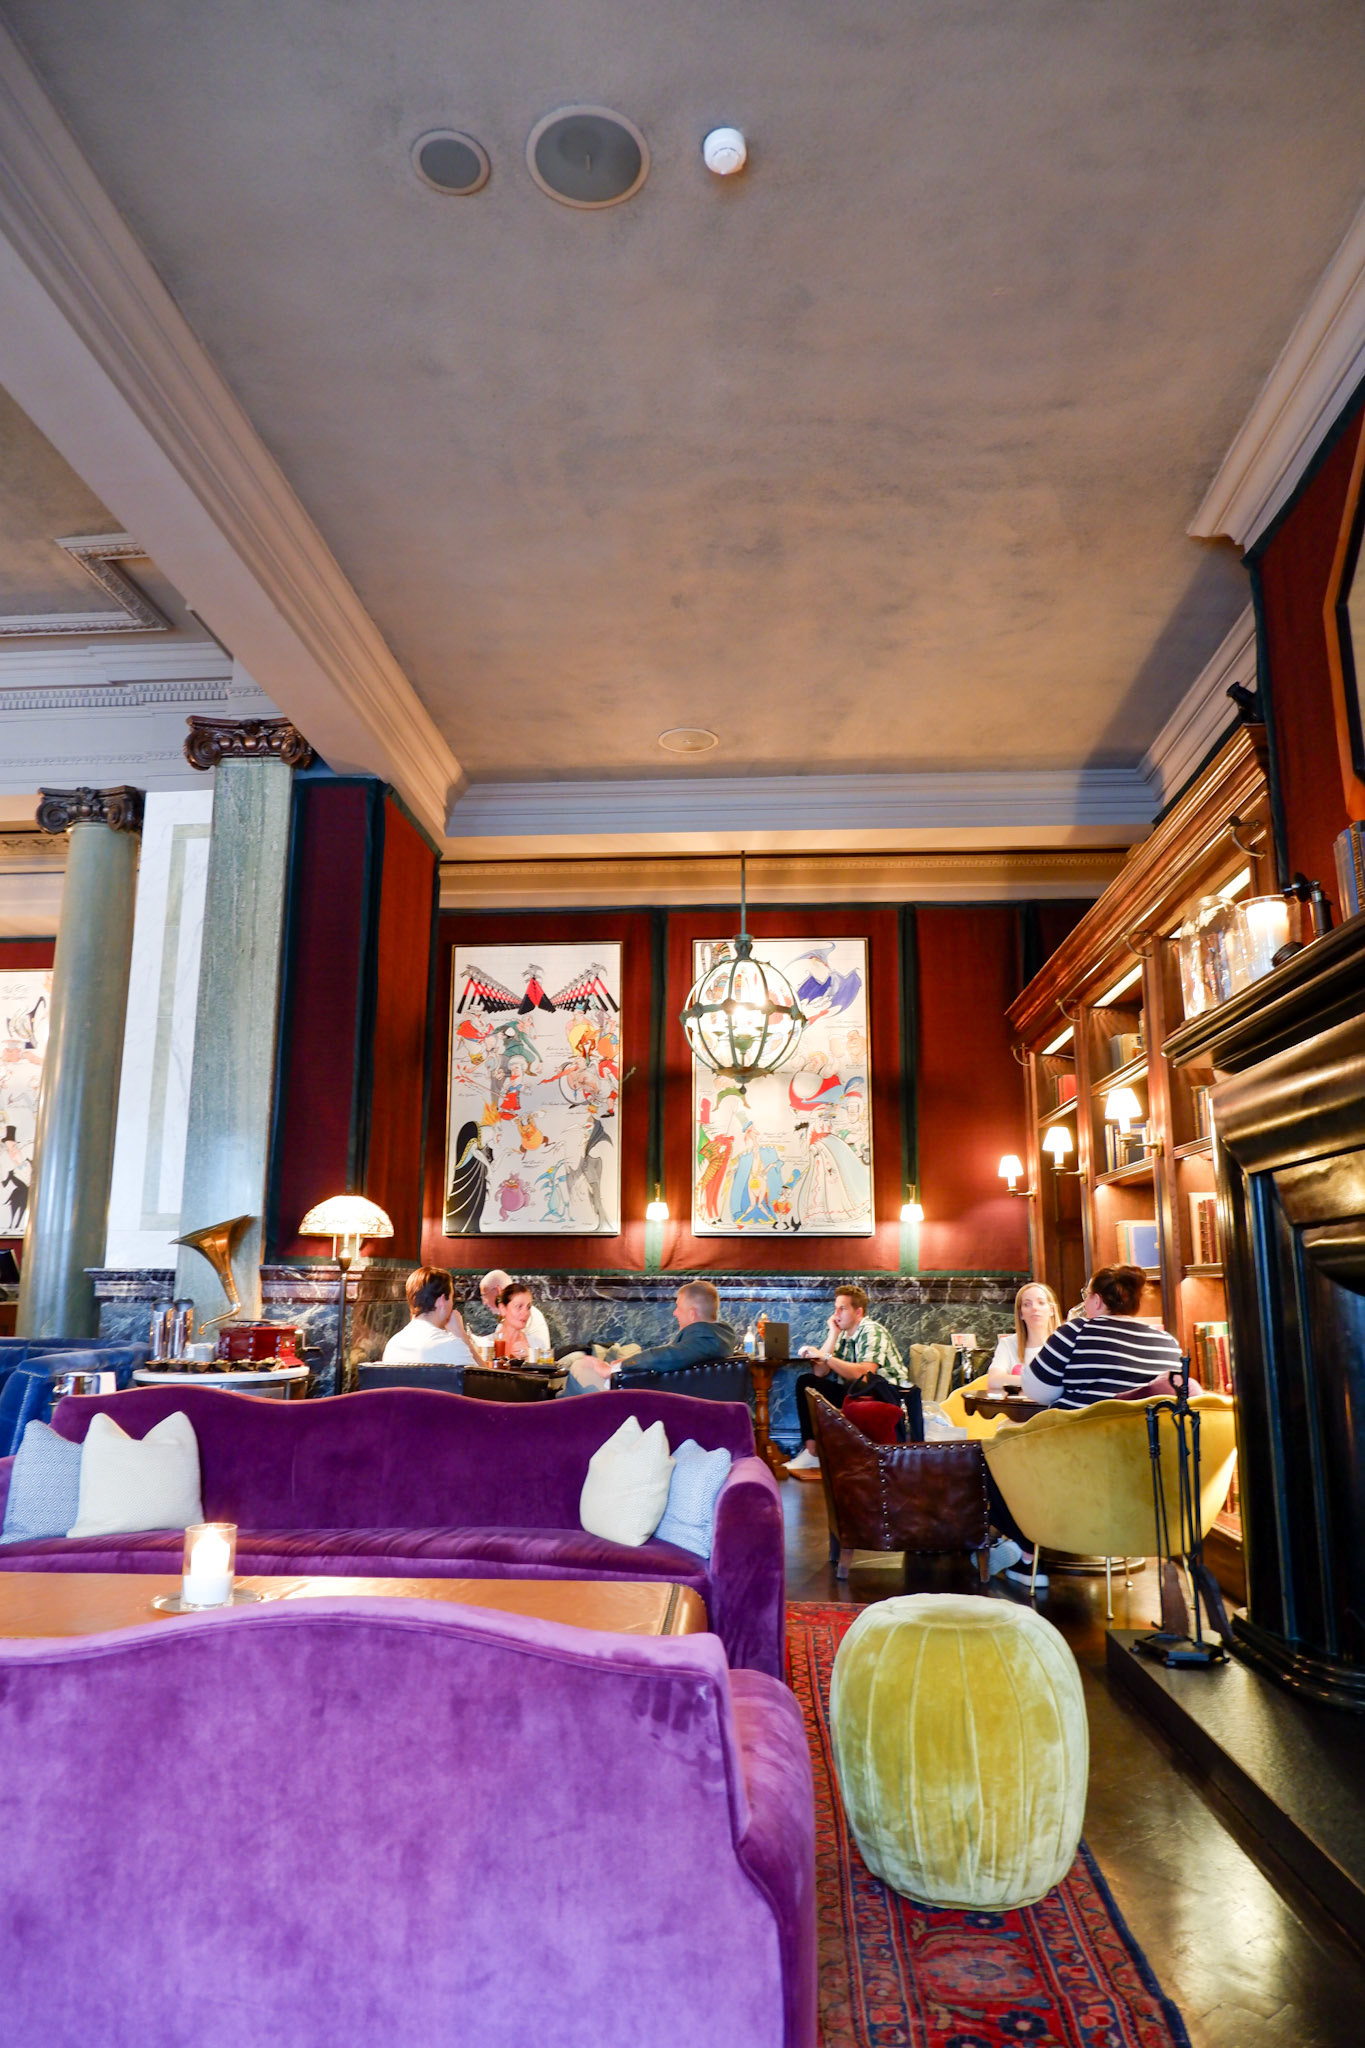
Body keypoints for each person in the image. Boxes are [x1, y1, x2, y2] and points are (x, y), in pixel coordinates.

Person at [988, 1265, 1185, 1588]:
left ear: (1095, 1300)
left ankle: (1028, 1552)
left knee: (990, 1461)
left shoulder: (1076, 1331)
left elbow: (1037, 1390)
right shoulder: (1166, 1342)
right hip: (1145, 1476)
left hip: (1074, 1469)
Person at [785, 1284, 912, 1471]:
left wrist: (825, 1357)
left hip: (885, 1393)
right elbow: (819, 1372)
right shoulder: (843, 1335)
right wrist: (833, 1333)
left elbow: (866, 1375)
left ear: (858, 1312)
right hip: (855, 1391)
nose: (836, 1314)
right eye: (835, 1308)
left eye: (842, 1309)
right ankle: (812, 1452)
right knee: (807, 1383)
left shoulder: (872, 1330)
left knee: (857, 1385)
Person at [559, 1280, 736, 1396]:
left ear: (692, 1313)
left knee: (579, 1367)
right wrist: (627, 1362)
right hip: (655, 1395)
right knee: (578, 1376)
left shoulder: (705, 1339)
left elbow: (669, 1356)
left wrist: (616, 1368)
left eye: (678, 1307)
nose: (675, 1313)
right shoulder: (718, 1338)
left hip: (643, 1406)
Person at [380, 1267, 476, 1366]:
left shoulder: (393, 1345)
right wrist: (461, 1335)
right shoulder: (451, 1346)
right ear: (442, 1301)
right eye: (452, 1298)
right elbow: (484, 1375)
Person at [985, 1281, 1063, 1392]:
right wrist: (1040, 1382)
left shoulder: (1064, 1344)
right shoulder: (1008, 1344)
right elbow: (994, 1381)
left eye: (1041, 1303)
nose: (1034, 1308)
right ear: (1021, 1313)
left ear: (1051, 1310)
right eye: (1027, 1304)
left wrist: (1018, 1382)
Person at [477, 1269, 552, 1359]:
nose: (526, 1313)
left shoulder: (536, 1344)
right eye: (519, 1306)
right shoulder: (488, 1345)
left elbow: (546, 1360)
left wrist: (530, 1356)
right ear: (503, 1309)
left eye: (528, 1307)